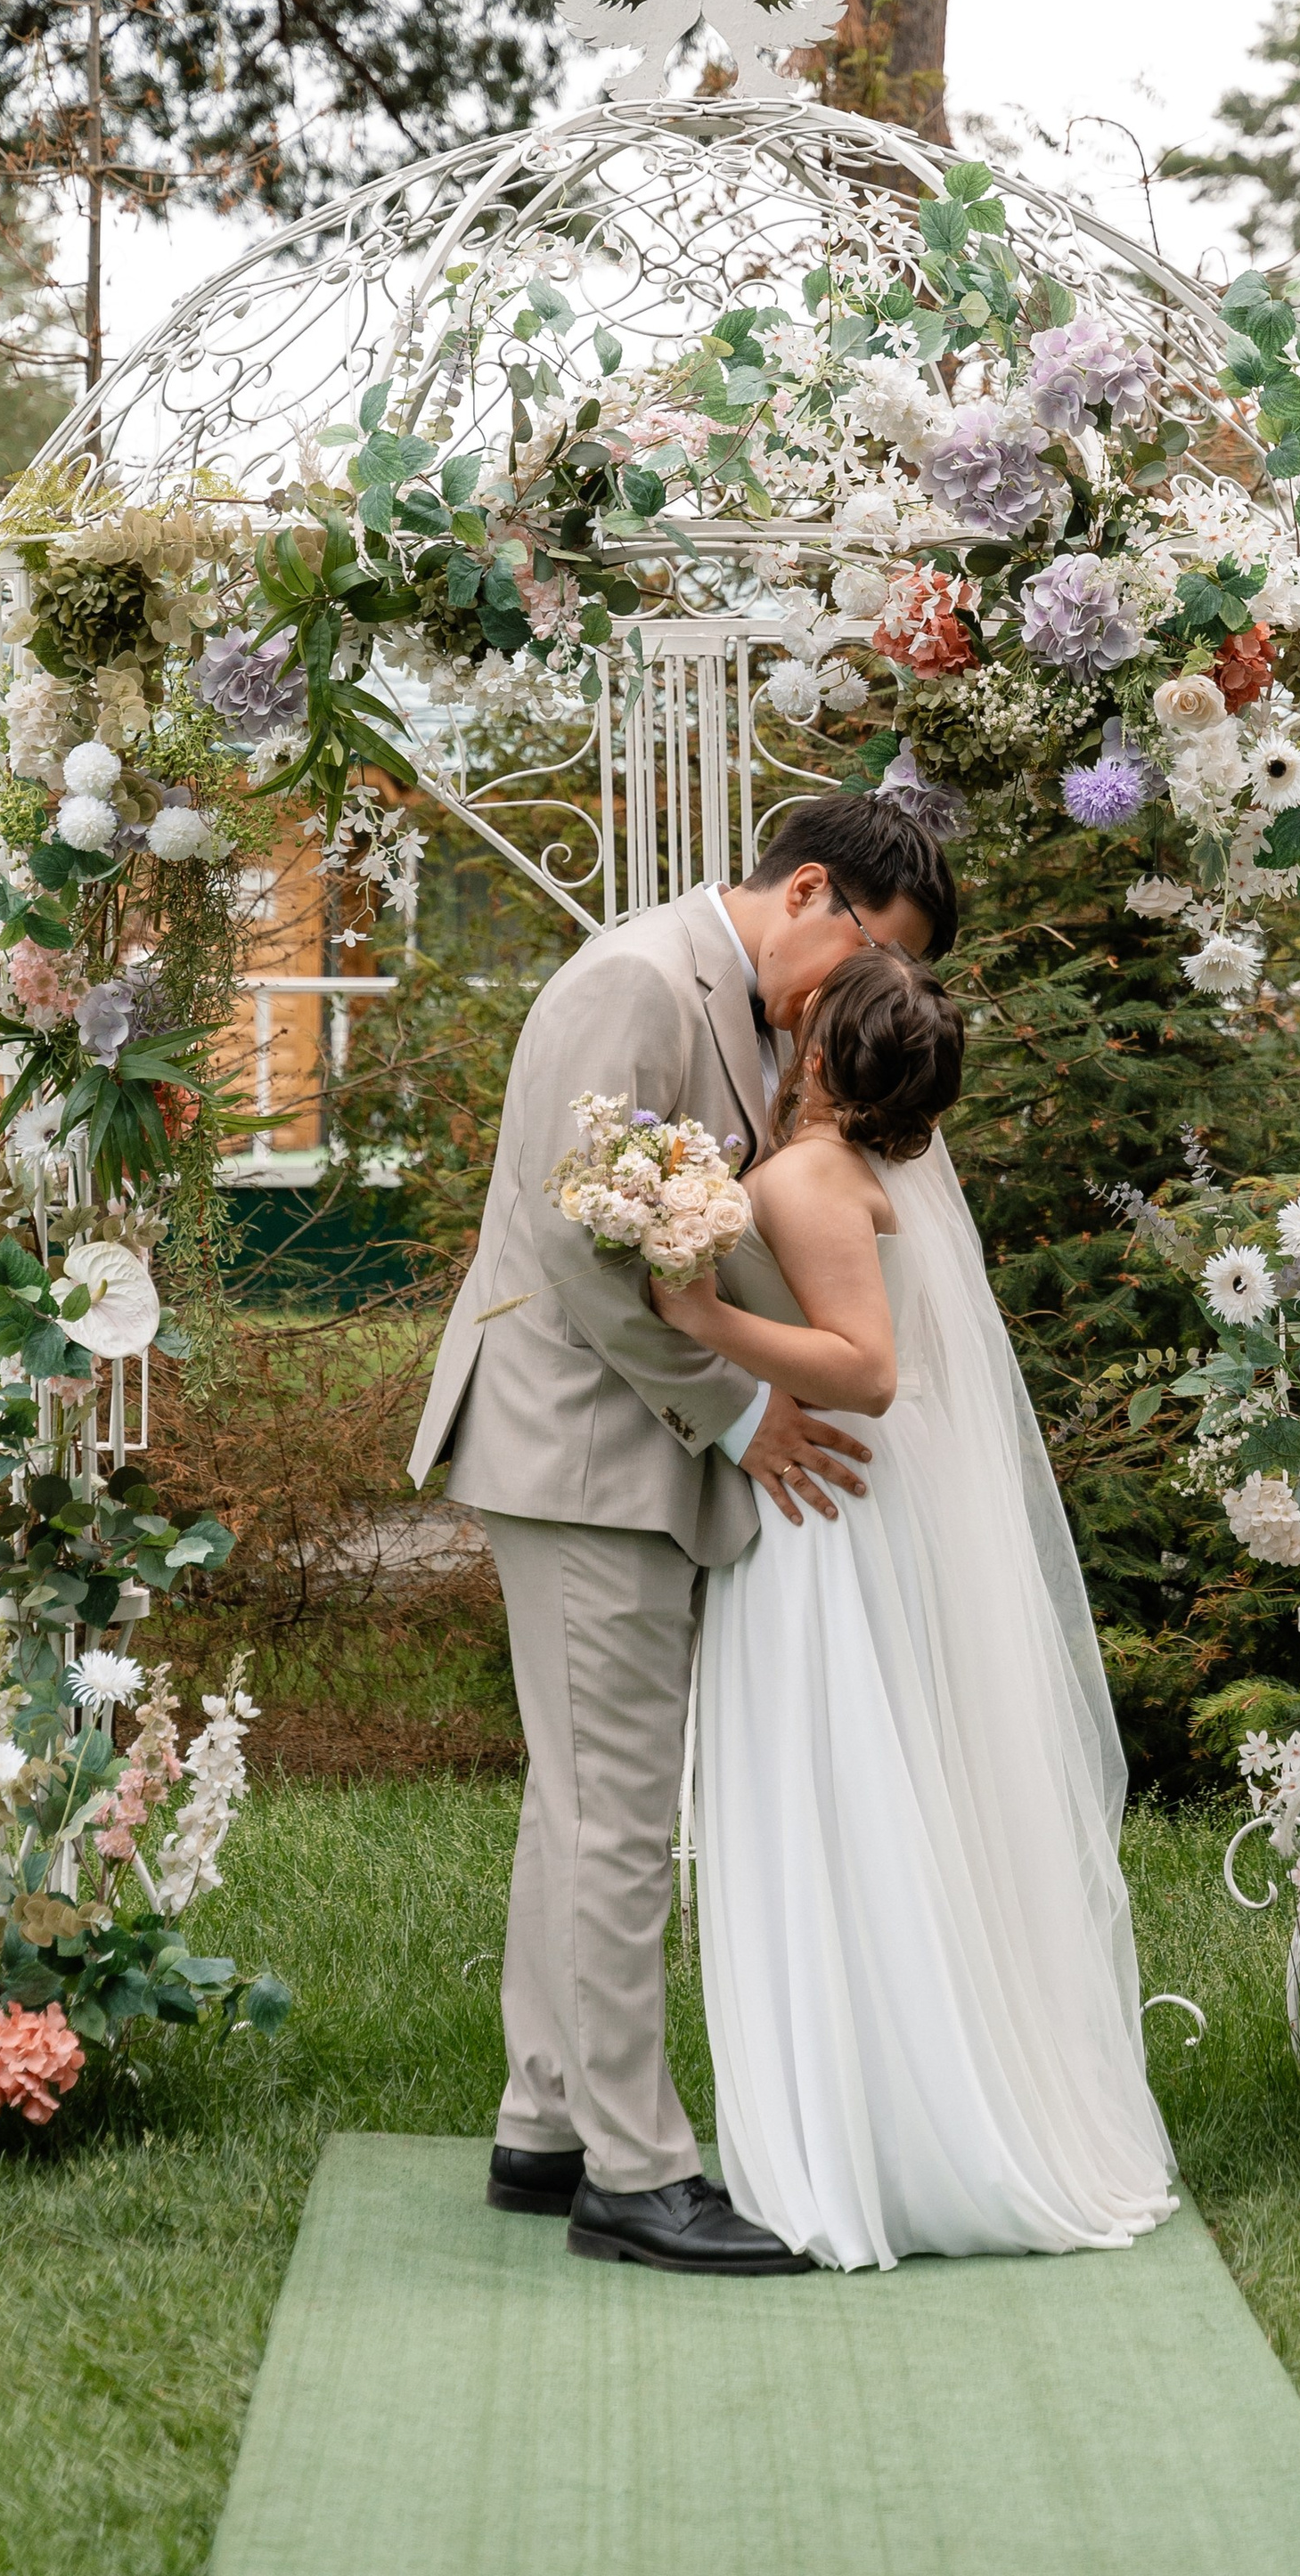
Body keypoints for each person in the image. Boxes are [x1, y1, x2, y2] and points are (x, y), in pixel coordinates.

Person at [406, 795, 958, 2277]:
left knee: (580, 1792)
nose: (842, 1005)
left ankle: (545, 2123)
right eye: (860, 962)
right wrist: (737, 1413)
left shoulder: (739, 997)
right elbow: (580, 1250)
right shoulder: (636, 984)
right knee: (621, 1814)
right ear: (815, 890)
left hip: (611, 1449)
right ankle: (637, 2176)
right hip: (588, 1451)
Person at [650, 946, 1177, 2272]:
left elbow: (867, 1372)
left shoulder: (812, 1179)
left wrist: (702, 1318)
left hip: (826, 1522)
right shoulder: (863, 1173)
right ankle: (867, 2120)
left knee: (833, 1808)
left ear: (825, 1057)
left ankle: (876, 2149)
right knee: (852, 1802)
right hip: (843, 1513)